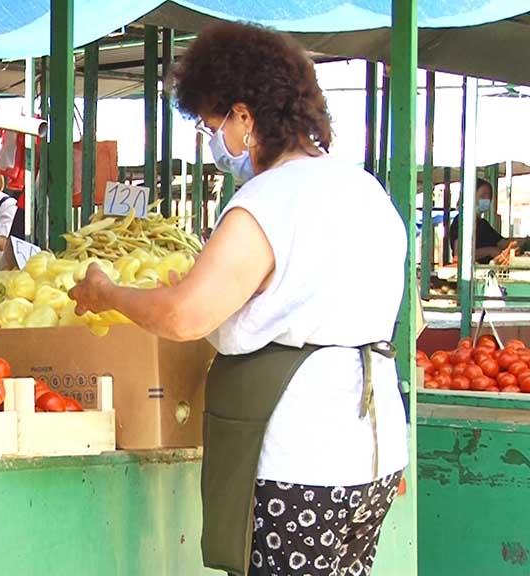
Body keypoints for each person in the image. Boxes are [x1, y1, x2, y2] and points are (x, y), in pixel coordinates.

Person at [70, 23, 406, 576]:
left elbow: (184, 315)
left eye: (212, 124)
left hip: (301, 452)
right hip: (370, 448)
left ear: (245, 118)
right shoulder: (364, 189)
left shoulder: (270, 199)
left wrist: (108, 292)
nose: (214, 141)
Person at [448, 178, 525, 263]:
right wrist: (489, 251)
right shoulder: (461, 221)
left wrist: (524, 241)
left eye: (489, 196)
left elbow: (502, 243)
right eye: (483, 195)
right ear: (471, 196)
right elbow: (459, 254)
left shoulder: (483, 224)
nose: (487, 199)